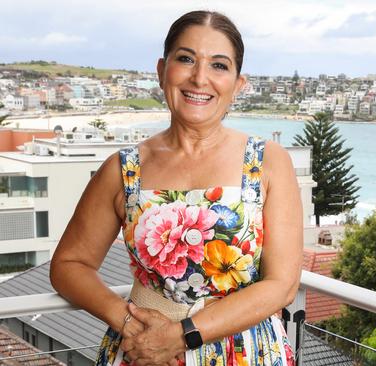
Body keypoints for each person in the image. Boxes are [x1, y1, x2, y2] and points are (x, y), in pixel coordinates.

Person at [50, 10, 303, 366]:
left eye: (219, 65)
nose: (200, 78)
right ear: (161, 70)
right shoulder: (123, 169)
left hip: (246, 353)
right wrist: (124, 319)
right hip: (142, 350)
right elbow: (68, 264)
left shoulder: (268, 162)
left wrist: (183, 334)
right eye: (186, 59)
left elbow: (282, 285)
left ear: (238, 84)